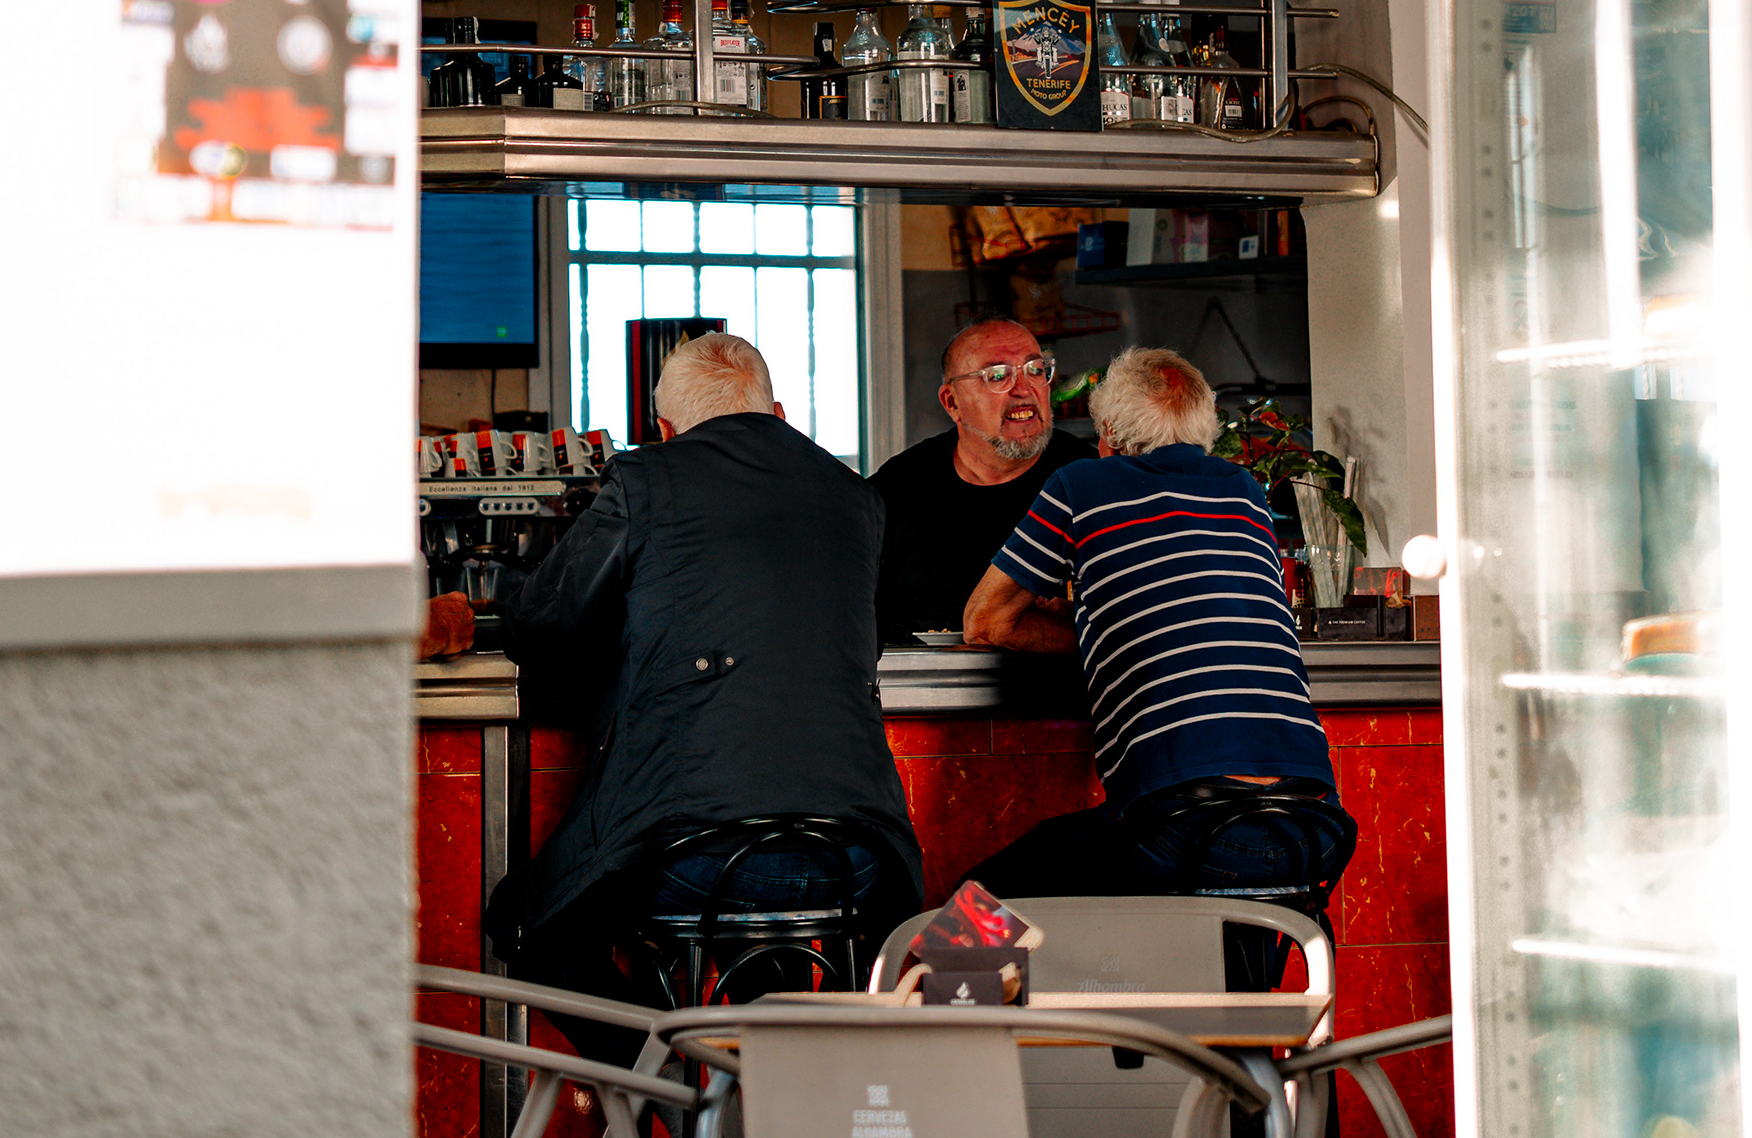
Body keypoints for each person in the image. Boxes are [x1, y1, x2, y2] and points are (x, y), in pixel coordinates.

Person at [489, 330, 923, 1040]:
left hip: (696, 855)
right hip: (860, 860)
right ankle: (762, 1089)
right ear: (777, 414)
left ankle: (661, 1082)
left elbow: (541, 627)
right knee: (758, 938)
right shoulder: (858, 498)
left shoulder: (645, 480)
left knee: (527, 921)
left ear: (665, 429)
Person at [961, 345, 1356, 901]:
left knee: (987, 897)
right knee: (1228, 908)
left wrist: (1095, 629)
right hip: (1313, 829)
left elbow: (986, 621)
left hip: (1186, 831)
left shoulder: (1079, 486)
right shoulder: (1245, 493)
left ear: (1108, 433)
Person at [870, 320, 1087, 640]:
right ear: (952, 402)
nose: (1024, 390)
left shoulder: (1089, 480)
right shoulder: (895, 490)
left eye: (1035, 370)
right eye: (997, 376)